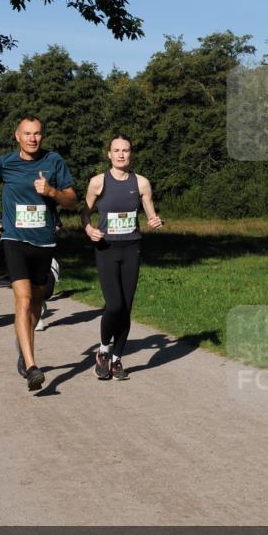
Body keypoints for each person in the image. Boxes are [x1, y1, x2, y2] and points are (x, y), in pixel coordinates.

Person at [0, 115, 78, 391]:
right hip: (14, 239)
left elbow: (72, 200)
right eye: (27, 134)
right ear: (17, 136)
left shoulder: (54, 161)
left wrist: (51, 191)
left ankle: (22, 345)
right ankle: (32, 366)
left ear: (42, 136)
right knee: (23, 301)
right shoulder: (5, 162)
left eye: (37, 133)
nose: (32, 138)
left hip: (44, 242)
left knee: (36, 303)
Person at [81, 136, 163, 380]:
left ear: (131, 154)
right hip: (106, 248)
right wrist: (88, 229)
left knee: (126, 308)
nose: (121, 155)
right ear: (109, 154)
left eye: (125, 150)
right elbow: (84, 214)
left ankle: (116, 359)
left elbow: (151, 214)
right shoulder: (98, 182)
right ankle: (103, 350)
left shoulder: (141, 183)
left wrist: (155, 221)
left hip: (131, 248)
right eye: (116, 150)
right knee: (114, 305)